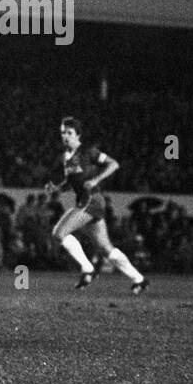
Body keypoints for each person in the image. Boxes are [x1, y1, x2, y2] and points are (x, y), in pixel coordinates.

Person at [47, 117, 148, 293]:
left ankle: (88, 269)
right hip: (86, 201)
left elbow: (114, 164)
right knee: (105, 249)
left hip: (92, 200)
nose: (65, 136)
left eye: (69, 133)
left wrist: (95, 180)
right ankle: (139, 279)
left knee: (58, 233)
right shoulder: (65, 156)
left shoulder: (88, 151)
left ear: (78, 134)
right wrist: (57, 188)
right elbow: (72, 182)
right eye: (63, 132)